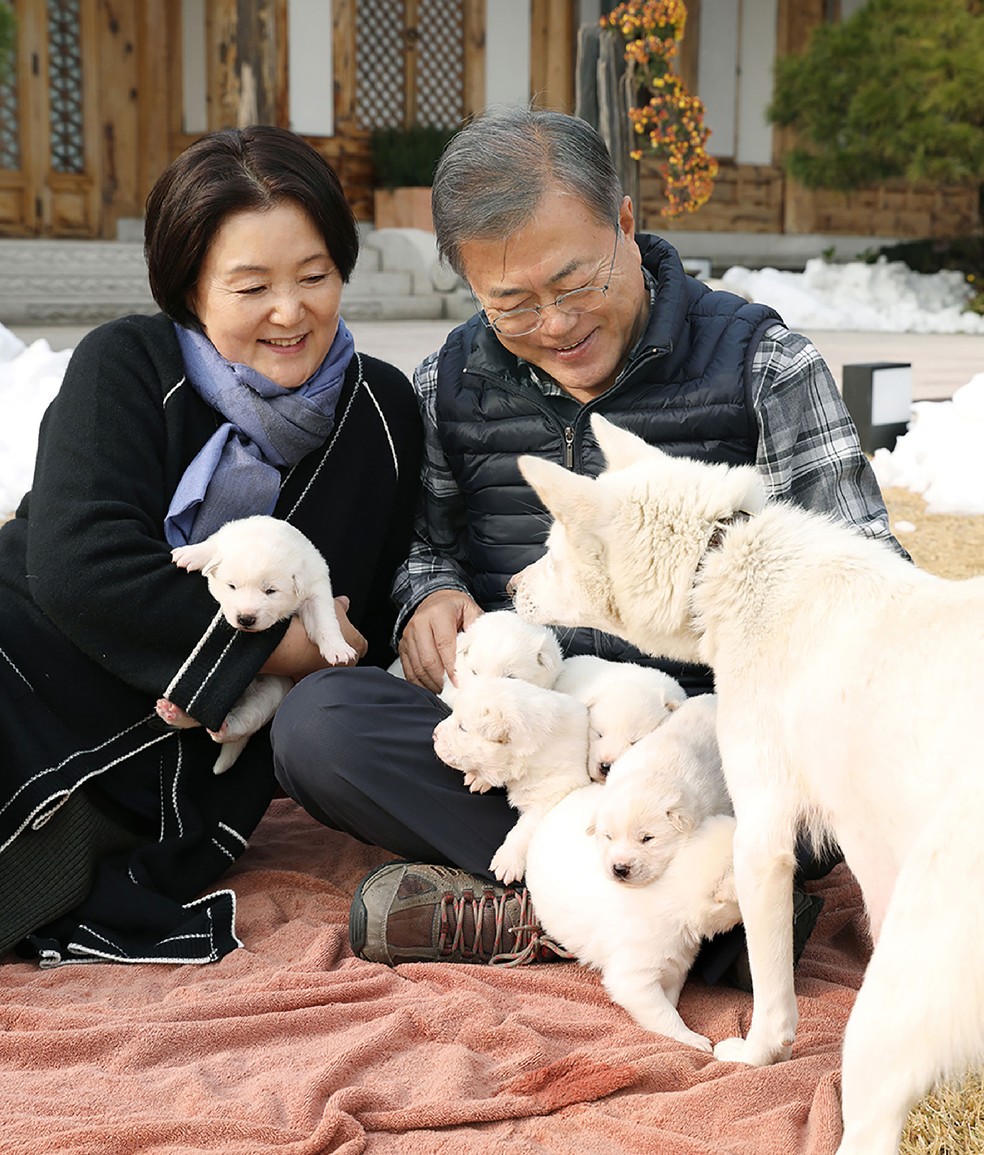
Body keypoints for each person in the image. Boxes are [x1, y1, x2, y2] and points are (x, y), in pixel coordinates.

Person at [271, 107, 907, 976]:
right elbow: (423, 543)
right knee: (318, 725)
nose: (556, 324)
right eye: (513, 305)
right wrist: (428, 596)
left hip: (709, 741)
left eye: (574, 284)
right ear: (469, 290)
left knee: (809, 771)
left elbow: (871, 584)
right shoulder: (447, 382)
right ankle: (689, 922)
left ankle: (539, 913)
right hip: (533, 725)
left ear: (626, 225)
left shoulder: (761, 364)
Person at [0, 125, 422, 965]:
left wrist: (313, 651)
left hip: (191, 760)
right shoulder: (125, 362)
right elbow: (78, 566)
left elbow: (363, 609)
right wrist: (283, 642)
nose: (290, 311)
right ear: (190, 284)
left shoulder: (383, 411)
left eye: (315, 276)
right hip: (35, 649)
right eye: (251, 285)